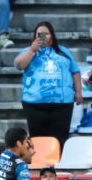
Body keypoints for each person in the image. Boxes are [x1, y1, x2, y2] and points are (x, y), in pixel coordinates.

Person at [13, 21, 82, 149]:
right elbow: (19, 65)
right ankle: (39, 161)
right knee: (38, 141)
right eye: (39, 34)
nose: (43, 37)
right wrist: (32, 50)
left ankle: (57, 161)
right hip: (34, 104)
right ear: (35, 35)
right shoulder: (27, 51)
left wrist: (78, 92)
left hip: (62, 104)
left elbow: (75, 72)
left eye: (46, 34)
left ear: (52, 35)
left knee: (59, 140)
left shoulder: (63, 51)